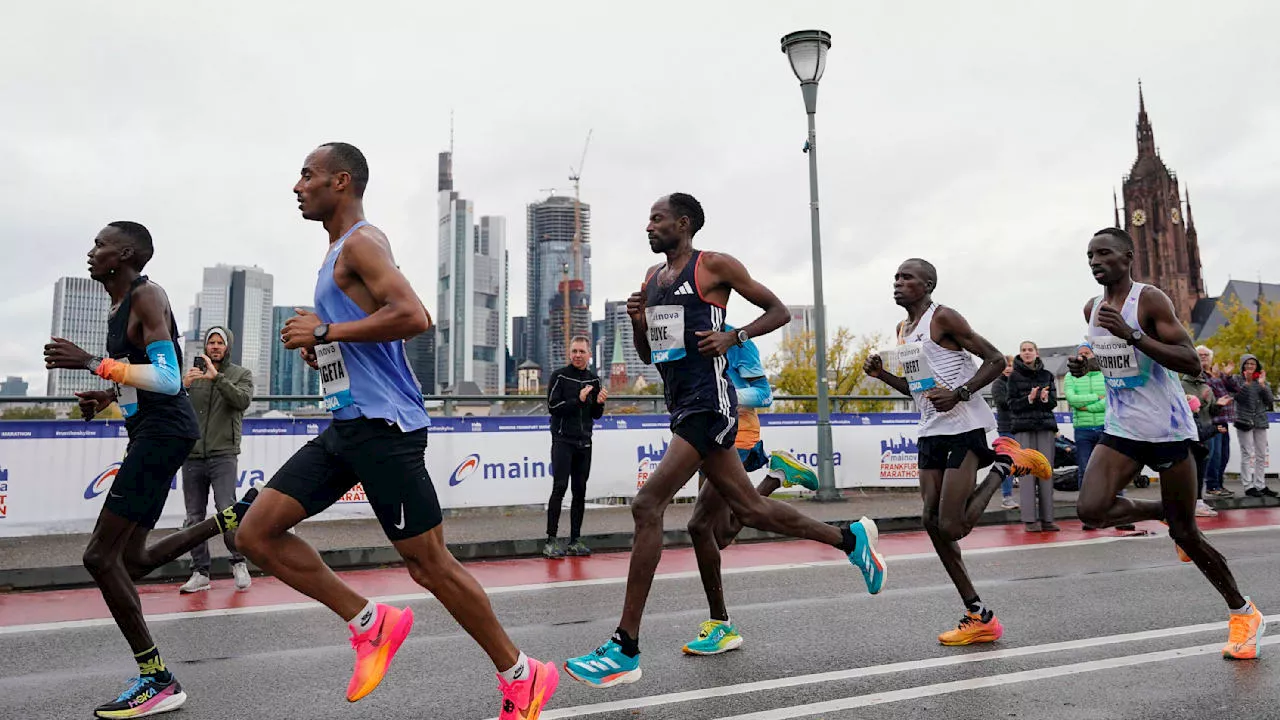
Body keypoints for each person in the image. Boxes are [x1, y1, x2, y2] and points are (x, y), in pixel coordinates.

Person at [233, 143, 558, 717]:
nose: (297, 185)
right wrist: (326, 351)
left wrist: (328, 332)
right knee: (256, 535)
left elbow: (415, 316)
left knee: (430, 565)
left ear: (340, 181)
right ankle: (370, 621)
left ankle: (520, 673)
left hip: (385, 427)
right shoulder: (336, 251)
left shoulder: (362, 240)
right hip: (348, 424)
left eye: (306, 175)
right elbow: (367, 333)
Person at [563, 193, 885, 688]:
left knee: (647, 505)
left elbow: (777, 311)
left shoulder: (712, 266)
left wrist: (734, 337)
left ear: (683, 223)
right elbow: (652, 357)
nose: (648, 227)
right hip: (681, 402)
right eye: (647, 218)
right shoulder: (652, 281)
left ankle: (625, 646)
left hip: (711, 403)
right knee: (750, 511)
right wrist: (635, 321)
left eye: (657, 218)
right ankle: (849, 539)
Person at [43, 221, 258, 718]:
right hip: (153, 430)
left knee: (100, 558)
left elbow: (166, 377)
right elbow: (143, 378)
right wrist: (110, 394)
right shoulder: (119, 307)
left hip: (165, 432)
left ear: (126, 254)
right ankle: (227, 522)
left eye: (100, 244)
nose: (91, 252)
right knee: (133, 560)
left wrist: (93, 364)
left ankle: (156, 677)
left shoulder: (147, 296)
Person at [1069, 227, 1264, 660]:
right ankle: (1167, 513)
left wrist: (1133, 334)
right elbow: (1102, 354)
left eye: (1104, 254)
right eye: (1089, 256)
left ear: (1127, 256)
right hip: (1122, 429)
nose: (1095, 262)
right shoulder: (1093, 308)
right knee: (1091, 509)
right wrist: (1084, 364)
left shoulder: (1150, 300)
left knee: (1188, 536)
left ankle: (1244, 612)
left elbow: (1191, 361)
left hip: (1169, 430)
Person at [864, 258, 1051, 647]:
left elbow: (997, 359)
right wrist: (882, 374)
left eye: (907, 277)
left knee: (952, 526)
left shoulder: (944, 318)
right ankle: (978, 614)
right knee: (932, 523)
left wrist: (961, 393)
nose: (897, 283)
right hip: (930, 430)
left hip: (964, 427)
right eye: (896, 277)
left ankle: (1004, 463)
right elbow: (918, 389)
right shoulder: (903, 329)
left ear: (928, 284)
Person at [682, 323, 819, 656]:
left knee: (702, 528)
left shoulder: (736, 339)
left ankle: (721, 626)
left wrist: (722, 396)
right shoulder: (685, 336)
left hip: (735, 436)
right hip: (704, 435)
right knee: (721, 535)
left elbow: (764, 394)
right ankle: (777, 475)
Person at [179, 326, 255, 593]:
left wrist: (216, 378)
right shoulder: (191, 375)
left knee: (227, 510)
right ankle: (200, 572)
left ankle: (238, 562)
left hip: (224, 453)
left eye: (219, 342)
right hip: (192, 455)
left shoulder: (240, 374)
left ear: (228, 346)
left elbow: (242, 400)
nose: (214, 346)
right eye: (211, 342)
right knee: (194, 517)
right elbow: (172, 407)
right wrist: (182, 387)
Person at [544, 335, 607, 558]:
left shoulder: (594, 380)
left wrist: (599, 404)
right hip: (563, 440)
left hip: (585, 442)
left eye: (582, 351)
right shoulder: (559, 376)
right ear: (569, 353)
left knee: (580, 491)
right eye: (574, 351)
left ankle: (575, 540)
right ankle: (551, 540)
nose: (578, 355)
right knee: (559, 488)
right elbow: (553, 407)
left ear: (589, 355)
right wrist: (578, 401)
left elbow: (596, 416)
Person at [1006, 341, 1061, 532]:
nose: (1027, 353)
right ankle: (1030, 520)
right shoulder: (1013, 377)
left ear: (1037, 353)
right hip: (1023, 428)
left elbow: (1053, 402)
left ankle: (1048, 519)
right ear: (1020, 354)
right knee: (1027, 474)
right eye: (1023, 350)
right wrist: (1029, 399)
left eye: (1030, 350)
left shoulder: (1047, 375)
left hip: (1045, 426)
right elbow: (1011, 404)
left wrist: (1045, 399)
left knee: (1046, 472)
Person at [1064, 343, 1106, 521]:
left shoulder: (1106, 373)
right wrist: (1097, 398)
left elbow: (1111, 399)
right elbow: (1072, 399)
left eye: (1086, 353)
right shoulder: (1070, 376)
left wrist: (1087, 407)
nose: (1083, 356)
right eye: (1080, 354)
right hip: (1083, 430)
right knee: (1085, 470)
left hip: (1106, 428)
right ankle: (1086, 510)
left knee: (1111, 469)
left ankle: (1116, 506)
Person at [1229, 354, 1275, 498]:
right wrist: (1247, 383)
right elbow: (1238, 398)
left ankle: (1260, 484)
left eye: (1253, 364)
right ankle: (1248, 485)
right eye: (1247, 363)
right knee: (1247, 453)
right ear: (1242, 365)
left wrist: (1262, 385)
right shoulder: (1236, 380)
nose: (1250, 366)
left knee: (1261, 454)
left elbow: (1270, 401)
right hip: (1244, 420)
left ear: (1257, 366)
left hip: (1260, 420)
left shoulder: (1261, 380)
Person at [1181, 369, 1220, 518]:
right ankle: (1194, 503)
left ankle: (1198, 501)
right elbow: (1198, 434)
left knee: (1201, 471)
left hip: (1204, 430)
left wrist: (1219, 405)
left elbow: (1212, 410)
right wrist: (1216, 430)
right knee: (1195, 473)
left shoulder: (1206, 385)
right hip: (1196, 439)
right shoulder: (1183, 384)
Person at [1199, 348, 1234, 497]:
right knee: (1214, 454)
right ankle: (1212, 486)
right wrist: (1216, 378)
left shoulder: (1215, 375)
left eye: (1206, 355)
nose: (1203, 358)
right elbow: (1207, 394)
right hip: (1209, 420)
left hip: (1222, 418)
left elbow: (1233, 390)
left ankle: (1218, 484)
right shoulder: (1196, 374)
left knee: (1224, 454)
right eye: (1200, 355)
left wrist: (1226, 375)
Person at [990, 356, 1019, 510]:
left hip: (1022, 427)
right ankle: (1007, 497)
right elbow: (1002, 402)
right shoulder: (998, 384)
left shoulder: (1019, 382)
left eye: (1011, 365)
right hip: (1006, 428)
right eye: (1006, 365)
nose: (1009, 368)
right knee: (1007, 463)